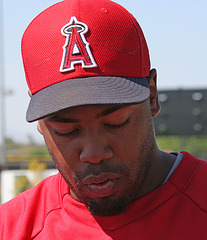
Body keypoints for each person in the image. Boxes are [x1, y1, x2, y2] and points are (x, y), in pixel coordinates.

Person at [1, 0, 207, 239]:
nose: (94, 153)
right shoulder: (11, 228)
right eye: (66, 130)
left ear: (151, 96)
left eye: (116, 122)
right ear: (40, 122)